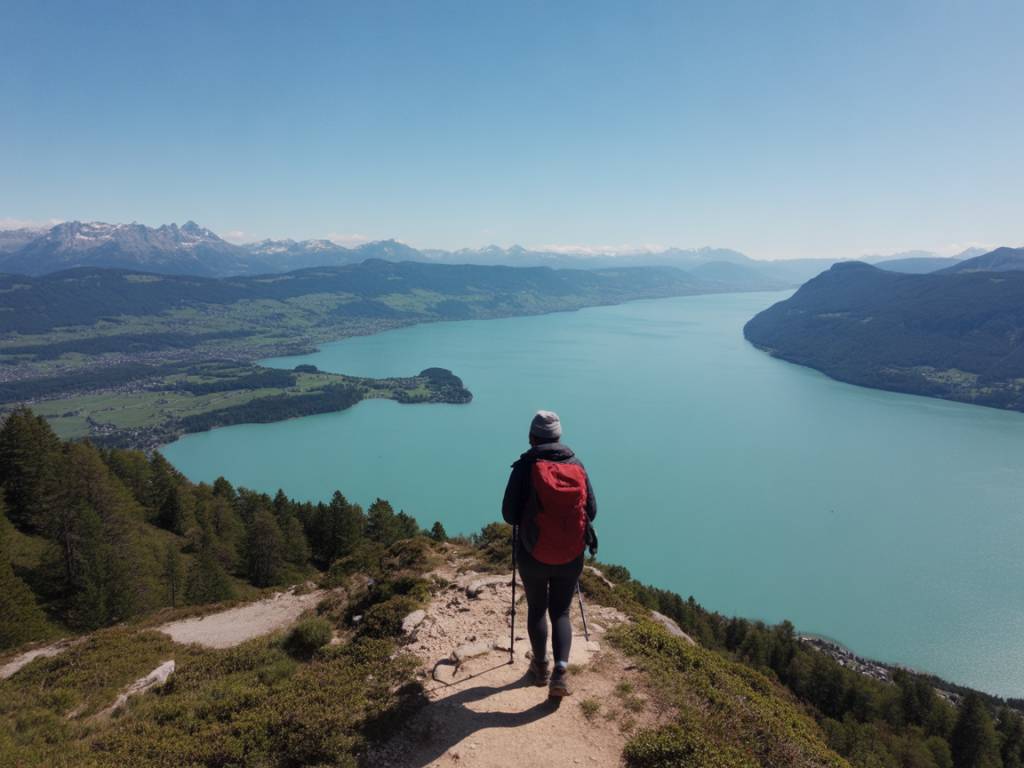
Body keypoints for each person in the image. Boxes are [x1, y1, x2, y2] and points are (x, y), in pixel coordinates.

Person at [502, 410, 597, 697]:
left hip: (533, 554)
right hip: (570, 555)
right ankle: (560, 674)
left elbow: (508, 514)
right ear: (558, 436)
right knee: (561, 612)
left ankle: (540, 667)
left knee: (537, 609)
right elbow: (591, 511)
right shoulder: (576, 465)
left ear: (533, 437)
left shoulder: (525, 467)